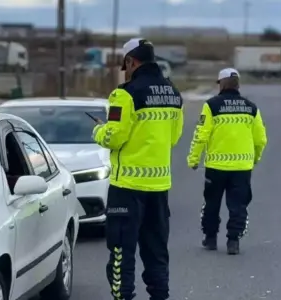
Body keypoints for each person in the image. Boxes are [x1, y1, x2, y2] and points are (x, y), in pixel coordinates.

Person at [92, 38, 184, 300]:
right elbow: (174, 137)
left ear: (131, 61)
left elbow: (115, 137)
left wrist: (100, 131)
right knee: (157, 252)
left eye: (126, 65)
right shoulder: (173, 93)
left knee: (122, 252)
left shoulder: (125, 94)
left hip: (127, 188)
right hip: (159, 187)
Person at [187, 68, 267, 255]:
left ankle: (210, 239)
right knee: (238, 205)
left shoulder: (211, 105)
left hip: (216, 167)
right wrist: (255, 158)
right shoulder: (251, 107)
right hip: (242, 168)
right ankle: (233, 241)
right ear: (238, 84)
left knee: (211, 204)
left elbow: (201, 135)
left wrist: (193, 159)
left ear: (221, 84)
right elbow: (261, 139)